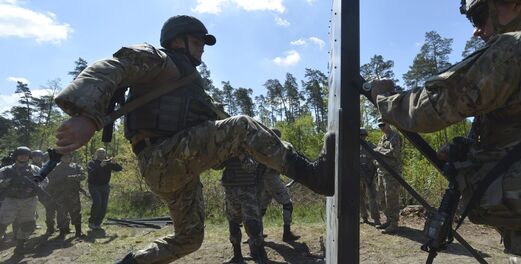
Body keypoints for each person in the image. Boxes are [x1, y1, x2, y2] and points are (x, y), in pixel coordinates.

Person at [52, 15, 334, 264]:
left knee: (189, 239)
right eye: (198, 42)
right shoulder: (159, 60)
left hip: (173, 169)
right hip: (161, 157)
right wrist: (87, 115)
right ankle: (315, 177)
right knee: (242, 126)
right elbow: (112, 66)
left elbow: (221, 128)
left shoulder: (193, 87)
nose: (202, 48)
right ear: (177, 41)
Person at [369, 0, 521, 262]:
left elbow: (426, 110)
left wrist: (384, 97)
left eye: (479, 17)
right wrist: (477, 152)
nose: (476, 31)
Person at [220, 156, 268, 264]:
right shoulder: (227, 144)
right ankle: (237, 256)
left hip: (249, 188)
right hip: (231, 187)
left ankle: (259, 256)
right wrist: (221, 154)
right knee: (233, 223)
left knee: (253, 225)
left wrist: (241, 155)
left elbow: (251, 167)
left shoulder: (250, 143)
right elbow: (216, 166)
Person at [257, 128, 301, 243]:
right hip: (272, 178)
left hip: (263, 180)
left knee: (262, 207)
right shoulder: (281, 147)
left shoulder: (261, 147)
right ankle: (287, 233)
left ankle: (257, 233)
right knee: (288, 204)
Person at [0, 146, 40, 254]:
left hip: (29, 200)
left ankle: (20, 245)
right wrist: (3, 183)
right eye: (21, 154)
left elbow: (44, 180)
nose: (23, 157)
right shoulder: (6, 170)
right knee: (2, 222)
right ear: (16, 156)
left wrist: (35, 185)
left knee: (28, 224)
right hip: (11, 199)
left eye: (26, 155)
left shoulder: (34, 169)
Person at [373, 120, 404, 234]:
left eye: (383, 124)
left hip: (392, 173)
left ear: (388, 123)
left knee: (391, 198)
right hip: (381, 172)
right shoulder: (382, 138)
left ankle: (394, 224)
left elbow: (392, 153)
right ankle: (388, 220)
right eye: (379, 125)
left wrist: (378, 150)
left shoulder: (395, 136)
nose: (381, 127)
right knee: (381, 198)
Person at [46, 152, 86, 238]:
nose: (66, 158)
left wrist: (72, 177)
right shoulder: (55, 167)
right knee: (61, 213)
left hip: (73, 193)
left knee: (76, 212)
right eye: (64, 157)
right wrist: (60, 180)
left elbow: (83, 176)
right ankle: (62, 232)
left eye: (68, 157)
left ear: (71, 158)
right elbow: (50, 179)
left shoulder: (76, 166)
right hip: (59, 194)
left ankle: (78, 232)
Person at [87, 148, 122, 230]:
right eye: (99, 152)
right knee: (97, 203)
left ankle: (97, 224)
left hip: (105, 186)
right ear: (96, 153)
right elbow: (91, 174)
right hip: (94, 186)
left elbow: (119, 169)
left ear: (105, 154)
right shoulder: (92, 162)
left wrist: (115, 163)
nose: (101, 153)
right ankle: (91, 222)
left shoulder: (108, 162)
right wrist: (100, 166)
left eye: (103, 152)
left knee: (104, 206)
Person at [358, 128, 380, 225]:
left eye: (363, 135)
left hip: (370, 176)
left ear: (366, 136)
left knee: (372, 198)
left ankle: (376, 219)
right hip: (358, 176)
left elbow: (377, 160)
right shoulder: (353, 147)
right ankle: (364, 217)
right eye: (360, 135)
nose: (362, 137)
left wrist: (374, 172)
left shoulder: (371, 146)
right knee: (360, 197)